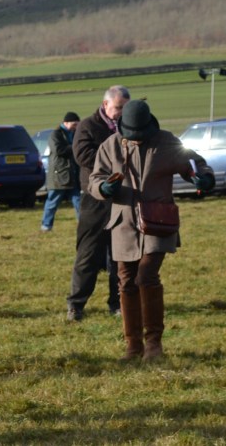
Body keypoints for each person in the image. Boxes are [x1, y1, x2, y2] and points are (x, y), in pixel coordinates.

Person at [90, 100, 214, 361]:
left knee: (146, 276)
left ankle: (154, 343)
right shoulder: (110, 145)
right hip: (123, 223)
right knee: (125, 281)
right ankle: (133, 346)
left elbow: (195, 164)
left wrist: (204, 176)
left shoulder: (166, 141)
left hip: (158, 223)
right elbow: (95, 179)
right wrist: (103, 188)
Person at [66, 86, 129, 321]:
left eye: (125, 108)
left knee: (120, 256)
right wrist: (113, 163)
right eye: (118, 108)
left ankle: (118, 303)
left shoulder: (129, 126)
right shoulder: (88, 126)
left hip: (121, 198)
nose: (121, 113)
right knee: (88, 255)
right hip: (95, 199)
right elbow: (82, 155)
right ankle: (76, 305)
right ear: (105, 105)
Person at [41, 111, 82, 231]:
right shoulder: (55, 134)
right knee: (52, 203)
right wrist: (75, 146)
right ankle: (46, 226)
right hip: (58, 175)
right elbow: (59, 150)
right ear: (66, 122)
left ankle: (83, 225)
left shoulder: (75, 133)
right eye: (74, 124)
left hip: (72, 174)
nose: (76, 127)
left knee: (79, 202)